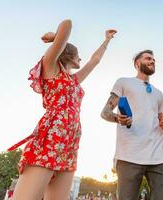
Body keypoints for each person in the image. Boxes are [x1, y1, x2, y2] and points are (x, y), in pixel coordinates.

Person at [7, 19, 116, 200]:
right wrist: (56, 38)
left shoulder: (73, 80)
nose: (81, 58)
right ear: (69, 54)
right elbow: (67, 23)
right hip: (50, 137)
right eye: (78, 55)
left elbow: (94, 60)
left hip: (70, 141)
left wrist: (107, 40)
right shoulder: (50, 67)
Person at [101, 49, 163, 200]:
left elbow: (161, 120)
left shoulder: (159, 93)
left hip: (159, 156)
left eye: (153, 59)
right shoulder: (124, 82)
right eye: (148, 58)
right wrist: (118, 118)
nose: (152, 61)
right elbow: (105, 112)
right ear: (137, 63)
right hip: (129, 155)